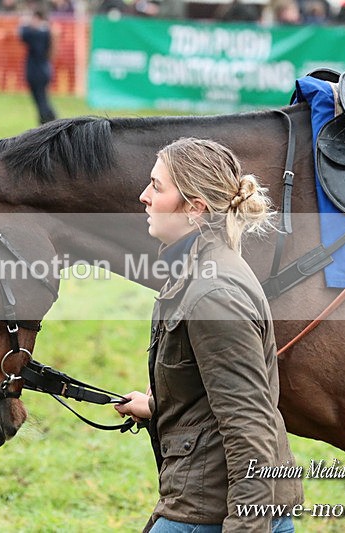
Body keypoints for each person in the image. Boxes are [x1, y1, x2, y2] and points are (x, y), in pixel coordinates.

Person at [115, 138, 303, 532]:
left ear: (195, 208)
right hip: (206, 501)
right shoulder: (199, 268)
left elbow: (249, 424)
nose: (144, 196)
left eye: (157, 186)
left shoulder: (213, 294)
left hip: (218, 515)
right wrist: (156, 406)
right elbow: (216, 393)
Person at [18, 7, 56, 125]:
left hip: (37, 72)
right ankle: (49, 122)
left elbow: (22, 34)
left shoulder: (39, 33)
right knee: (41, 99)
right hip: (42, 71)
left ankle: (48, 123)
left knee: (41, 100)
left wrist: (24, 24)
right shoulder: (45, 32)